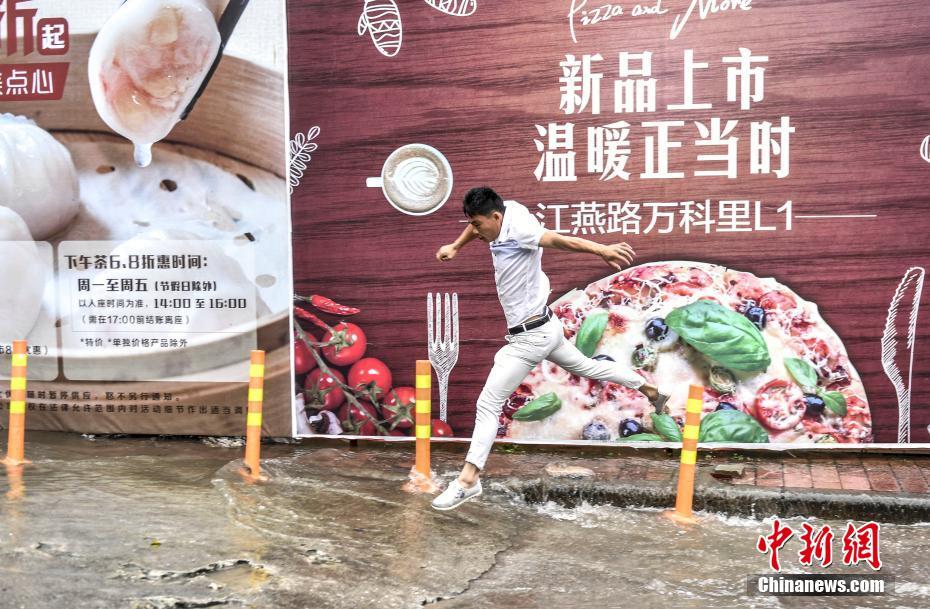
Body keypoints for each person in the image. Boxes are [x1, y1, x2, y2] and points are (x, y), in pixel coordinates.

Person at [430, 186, 669, 511]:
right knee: (590, 367)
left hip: (528, 337)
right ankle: (649, 389)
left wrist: (602, 250)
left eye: (478, 224)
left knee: (487, 405)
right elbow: (475, 226)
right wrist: (457, 246)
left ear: (496, 217)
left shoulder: (522, 230)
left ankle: (468, 480)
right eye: (471, 224)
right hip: (547, 326)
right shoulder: (502, 210)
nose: (476, 230)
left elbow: (560, 240)